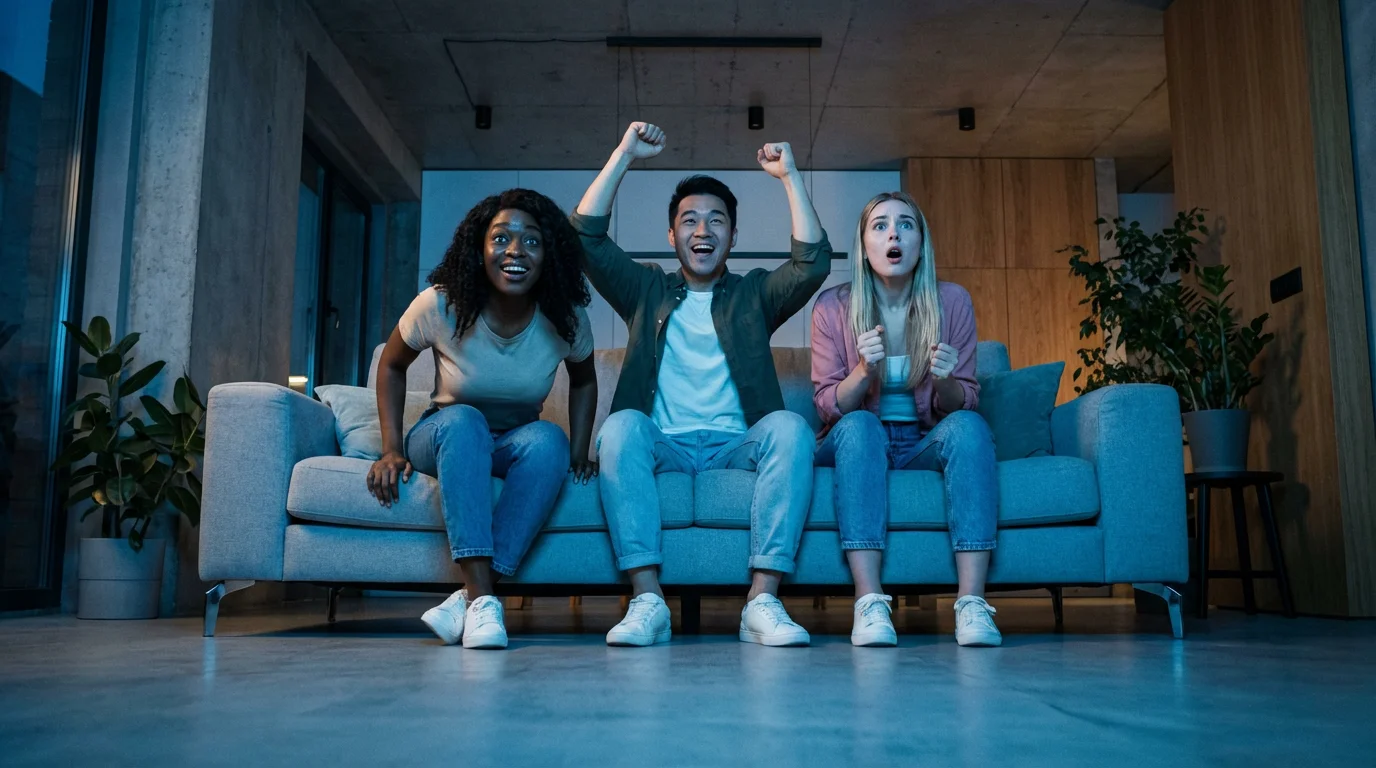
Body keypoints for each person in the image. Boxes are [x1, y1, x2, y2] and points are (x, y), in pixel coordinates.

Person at [572, 122, 831, 647]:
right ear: (672, 236)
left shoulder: (753, 295)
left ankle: (762, 602)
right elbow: (585, 238)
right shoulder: (646, 289)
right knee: (619, 429)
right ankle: (649, 602)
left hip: (736, 447)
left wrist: (789, 176)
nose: (702, 230)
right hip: (664, 447)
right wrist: (623, 153)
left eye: (716, 221)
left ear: (733, 236)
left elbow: (812, 264)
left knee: (791, 428)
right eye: (689, 220)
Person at [368, 189, 599, 650]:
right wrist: (391, 448)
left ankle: (471, 600)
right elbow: (391, 365)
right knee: (465, 421)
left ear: (549, 256)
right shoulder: (440, 304)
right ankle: (483, 599)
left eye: (531, 241)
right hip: (444, 432)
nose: (515, 251)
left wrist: (578, 452)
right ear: (479, 248)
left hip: (515, 440)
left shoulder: (566, 318)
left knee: (549, 440)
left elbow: (585, 380)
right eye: (500, 238)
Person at [810, 191, 1002, 648]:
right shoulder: (832, 307)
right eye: (880, 225)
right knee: (860, 427)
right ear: (864, 245)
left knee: (971, 429)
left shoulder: (951, 301)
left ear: (920, 244)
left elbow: (964, 403)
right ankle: (869, 602)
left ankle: (972, 604)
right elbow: (827, 406)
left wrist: (945, 380)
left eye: (905, 224)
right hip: (859, 439)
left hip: (921, 441)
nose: (893, 234)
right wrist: (863, 371)